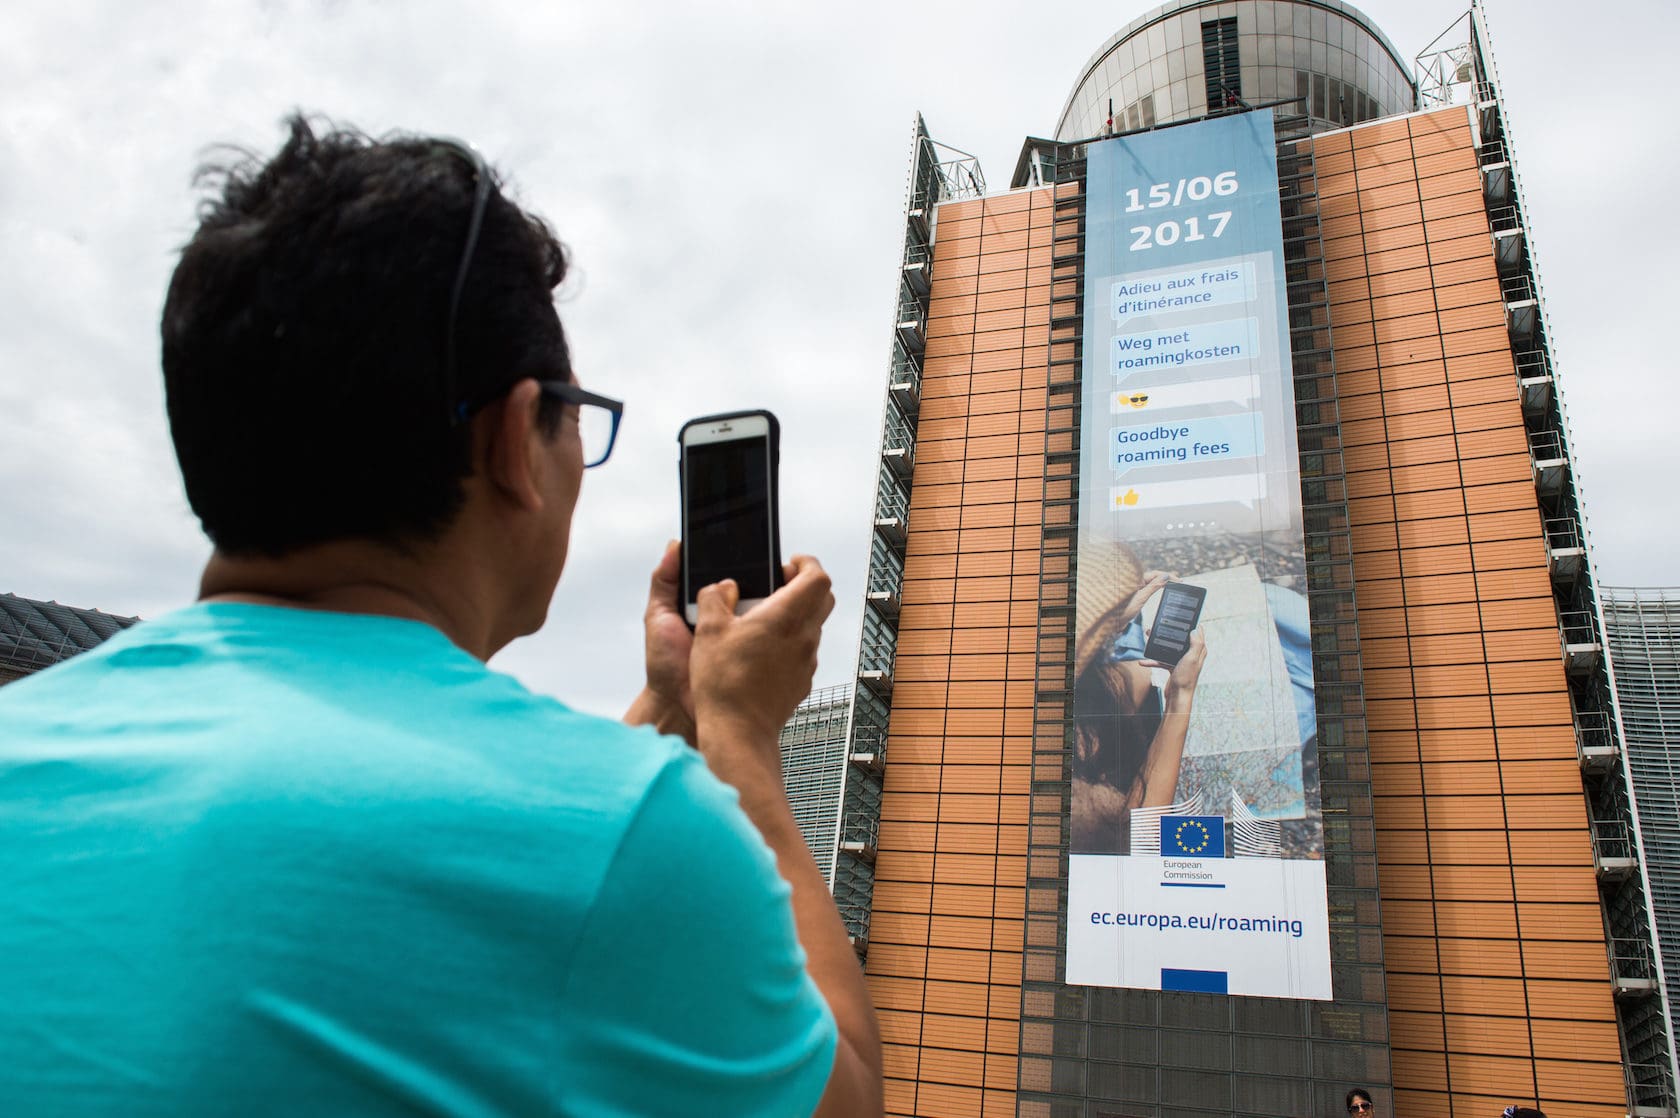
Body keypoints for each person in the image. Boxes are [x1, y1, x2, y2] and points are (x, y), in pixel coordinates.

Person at [0, 116, 882, 1116]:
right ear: (515, 437)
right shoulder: (640, 843)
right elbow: (840, 1087)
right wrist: (742, 738)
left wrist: (669, 700)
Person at [1071, 542, 1208, 853]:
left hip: (1096, 689)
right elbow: (1138, 831)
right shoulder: (1083, 810)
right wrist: (1180, 697)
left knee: (1139, 661)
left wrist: (1113, 620)